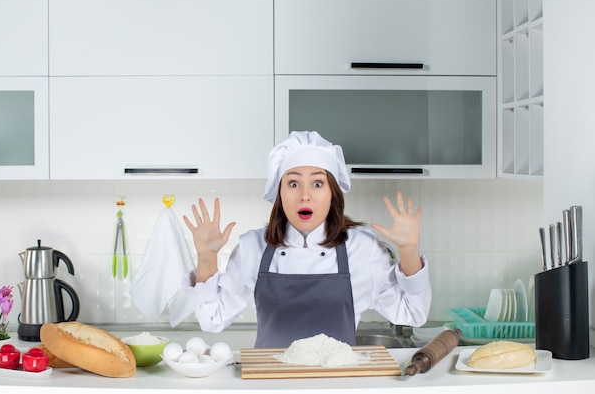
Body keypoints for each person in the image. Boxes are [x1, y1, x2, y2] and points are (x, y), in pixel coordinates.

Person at [182, 131, 431, 348]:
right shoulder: (252, 248)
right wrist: (206, 257)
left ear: (333, 192)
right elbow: (212, 319)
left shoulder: (362, 247)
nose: (305, 196)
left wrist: (409, 250)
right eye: (293, 183)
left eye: (317, 183)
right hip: (270, 384)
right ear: (279, 191)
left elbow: (413, 313)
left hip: (337, 386)